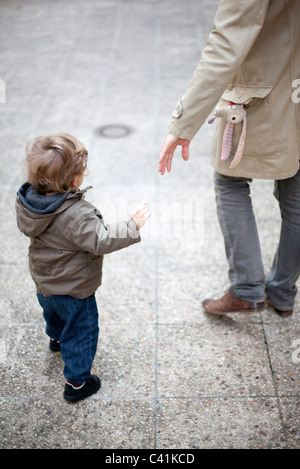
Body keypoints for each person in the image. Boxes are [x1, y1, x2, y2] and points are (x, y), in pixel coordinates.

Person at [158, 0, 300, 317]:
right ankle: (282, 292)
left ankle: (247, 289)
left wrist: (184, 122)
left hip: (266, 91)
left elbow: (227, 42)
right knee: (296, 189)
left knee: (230, 181)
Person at [16, 132, 150, 402]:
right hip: (75, 288)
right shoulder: (76, 214)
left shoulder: (29, 203)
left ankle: (56, 340)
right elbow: (102, 239)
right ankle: (77, 382)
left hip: (45, 280)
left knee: (52, 311)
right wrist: (132, 225)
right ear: (73, 180)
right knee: (82, 329)